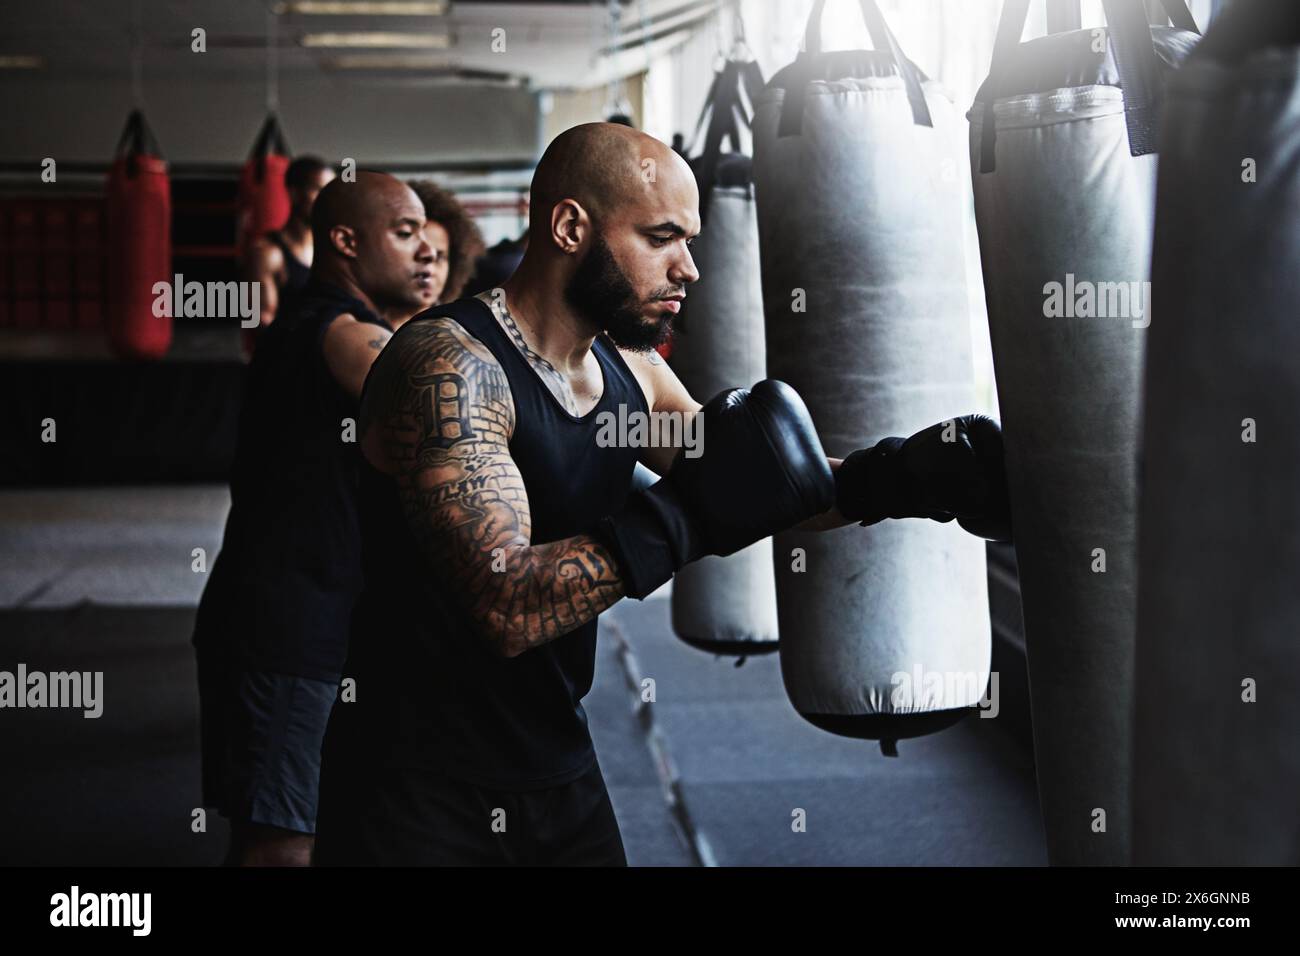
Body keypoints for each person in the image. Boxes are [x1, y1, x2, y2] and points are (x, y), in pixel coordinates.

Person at [313, 124, 1010, 866]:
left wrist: (899, 480)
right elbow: (506, 605)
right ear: (571, 226)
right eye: (662, 238)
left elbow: (763, 483)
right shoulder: (450, 367)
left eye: (692, 240)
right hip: (412, 789)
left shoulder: (629, 371)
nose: (691, 270)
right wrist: (691, 517)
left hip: (555, 759)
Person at [192, 172, 435, 866]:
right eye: (405, 233)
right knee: (280, 845)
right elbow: (428, 387)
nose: (425, 254)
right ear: (345, 241)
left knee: (329, 827)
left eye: (428, 237)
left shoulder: (329, 323)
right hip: (286, 633)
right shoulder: (333, 331)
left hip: (318, 623)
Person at [243, 155, 335, 331]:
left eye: (329, 192)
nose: (326, 200)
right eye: (318, 190)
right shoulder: (267, 253)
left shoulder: (330, 248)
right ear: (294, 194)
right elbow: (262, 319)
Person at [404, 179, 486, 315]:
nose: (429, 269)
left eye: (440, 257)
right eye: (418, 255)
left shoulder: (462, 327)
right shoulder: (361, 328)